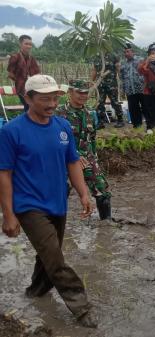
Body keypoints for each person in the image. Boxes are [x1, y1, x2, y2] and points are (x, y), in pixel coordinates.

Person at [0, 75, 97, 328]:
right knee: (55, 258)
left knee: (48, 257)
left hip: (57, 201)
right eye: (45, 99)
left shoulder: (63, 127)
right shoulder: (11, 132)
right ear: (28, 98)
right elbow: (4, 175)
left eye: (55, 98)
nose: (52, 103)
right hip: (29, 205)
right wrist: (8, 215)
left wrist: (83, 193)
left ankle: (35, 293)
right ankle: (82, 307)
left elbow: (73, 162)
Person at [55, 79, 112, 221]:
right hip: (63, 158)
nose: (83, 96)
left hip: (87, 157)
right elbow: (54, 140)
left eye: (85, 93)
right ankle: (55, 221)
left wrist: (95, 160)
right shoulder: (58, 114)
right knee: (61, 189)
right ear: (70, 92)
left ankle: (106, 223)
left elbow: (92, 139)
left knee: (102, 188)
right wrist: (73, 155)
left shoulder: (91, 114)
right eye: (79, 92)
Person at [7, 34, 40, 112]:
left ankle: (29, 122)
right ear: (20, 44)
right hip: (21, 87)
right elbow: (10, 74)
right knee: (28, 105)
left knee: (32, 106)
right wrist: (20, 80)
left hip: (32, 87)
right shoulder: (15, 57)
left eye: (30, 44)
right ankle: (27, 122)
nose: (29, 46)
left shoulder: (32, 58)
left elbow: (37, 73)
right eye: (26, 44)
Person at [92, 52, 125, 128]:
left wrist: (121, 81)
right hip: (100, 84)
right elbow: (94, 70)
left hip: (111, 84)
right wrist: (92, 82)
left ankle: (120, 120)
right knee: (99, 103)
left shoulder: (114, 55)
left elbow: (118, 69)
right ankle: (101, 122)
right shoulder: (96, 57)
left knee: (115, 102)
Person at [120, 43, 146, 128]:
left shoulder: (140, 60)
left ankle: (150, 125)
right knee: (133, 109)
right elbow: (122, 78)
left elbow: (146, 73)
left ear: (133, 52)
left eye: (128, 51)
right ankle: (136, 126)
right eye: (125, 52)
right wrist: (122, 90)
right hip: (130, 90)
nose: (126, 54)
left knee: (146, 107)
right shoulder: (123, 64)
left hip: (141, 89)